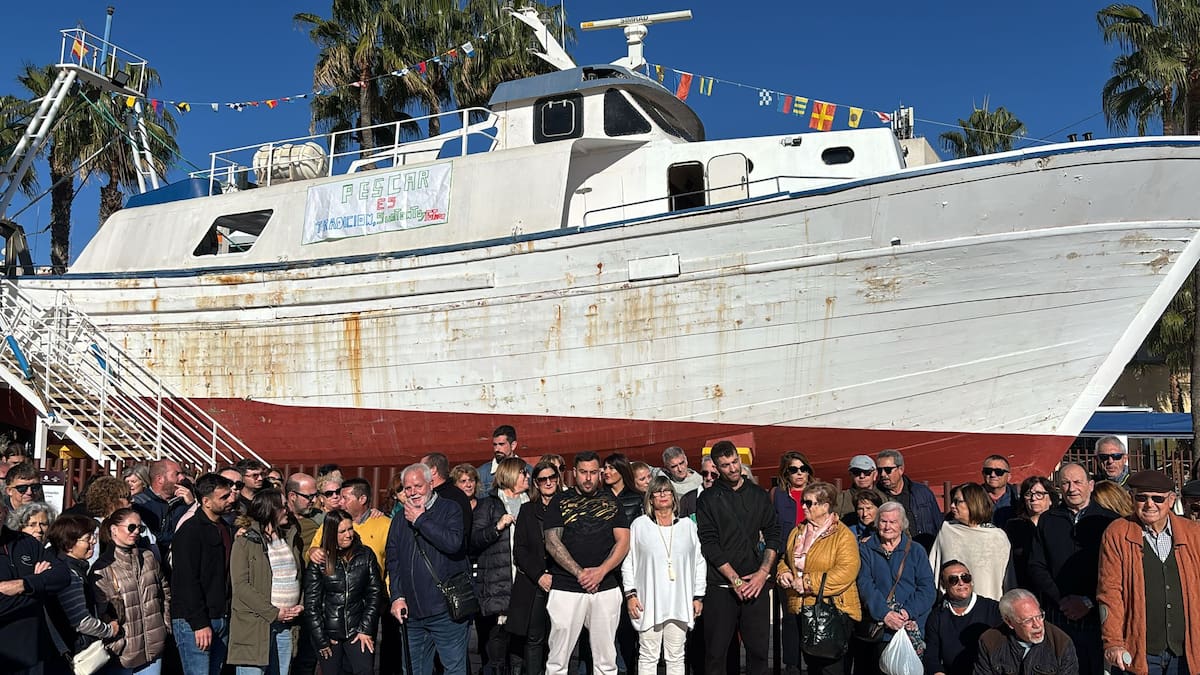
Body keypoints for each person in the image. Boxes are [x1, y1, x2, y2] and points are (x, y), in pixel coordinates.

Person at [1098, 470, 1200, 675]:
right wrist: (1113, 641)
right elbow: (1110, 593)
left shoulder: (1193, 533)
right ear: (1132, 498)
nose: (1149, 504)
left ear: (1171, 500)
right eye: (1142, 497)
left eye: (1157, 498)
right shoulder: (1117, 533)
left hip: (1186, 649)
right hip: (1140, 649)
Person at [696, 440, 781, 675]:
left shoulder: (758, 495)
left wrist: (763, 573)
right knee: (716, 655)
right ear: (716, 467)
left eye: (735, 462)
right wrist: (734, 580)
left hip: (755, 583)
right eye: (726, 465)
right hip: (721, 586)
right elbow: (709, 543)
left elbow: (773, 534)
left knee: (759, 653)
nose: (733, 468)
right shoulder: (708, 499)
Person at [543, 450, 630, 675]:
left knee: (606, 660)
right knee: (558, 659)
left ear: (599, 472)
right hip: (566, 587)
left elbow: (623, 542)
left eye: (593, 472)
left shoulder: (612, 501)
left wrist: (601, 572)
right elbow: (552, 542)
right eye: (583, 472)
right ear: (575, 472)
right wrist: (580, 573)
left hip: (606, 586)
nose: (588, 478)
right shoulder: (559, 501)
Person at [1027, 462, 1118, 675]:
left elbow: (1115, 573)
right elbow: (1036, 565)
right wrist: (1061, 599)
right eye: (1066, 483)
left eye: (1077, 482)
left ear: (1091, 485)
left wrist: (1088, 601)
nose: (1072, 488)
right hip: (1059, 612)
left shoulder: (1109, 521)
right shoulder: (1048, 520)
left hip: (1096, 615)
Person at [386, 463, 470, 675]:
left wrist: (421, 520)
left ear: (431, 484)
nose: (413, 492)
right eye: (408, 488)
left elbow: (453, 543)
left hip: (446, 611)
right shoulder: (399, 519)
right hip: (412, 613)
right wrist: (397, 596)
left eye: (418, 486)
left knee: (454, 669)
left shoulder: (450, 509)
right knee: (413, 670)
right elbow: (393, 561)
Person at [622, 475, 706, 675]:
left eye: (667, 490)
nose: (662, 495)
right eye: (657, 492)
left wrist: (698, 596)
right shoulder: (640, 525)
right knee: (648, 656)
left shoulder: (688, 526)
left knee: (676, 656)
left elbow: (699, 562)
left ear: (673, 496)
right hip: (648, 601)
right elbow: (629, 561)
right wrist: (630, 594)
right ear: (650, 498)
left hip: (679, 602)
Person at [777, 481, 860, 675]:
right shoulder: (798, 531)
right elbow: (786, 559)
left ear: (825, 506)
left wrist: (807, 582)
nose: (803, 507)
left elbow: (846, 571)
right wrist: (784, 572)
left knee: (830, 667)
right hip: (801, 607)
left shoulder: (842, 535)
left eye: (809, 503)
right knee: (813, 665)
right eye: (803, 502)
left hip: (830, 609)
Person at [228, 489, 305, 675]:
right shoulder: (245, 542)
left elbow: (299, 575)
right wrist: (273, 613)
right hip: (256, 624)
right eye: (283, 506)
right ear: (270, 509)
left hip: (286, 625)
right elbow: (241, 587)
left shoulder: (290, 538)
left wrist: (300, 604)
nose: (287, 510)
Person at [854, 502, 936, 675]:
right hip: (878, 629)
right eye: (883, 521)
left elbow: (927, 589)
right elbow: (865, 585)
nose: (887, 526)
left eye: (893, 522)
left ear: (902, 524)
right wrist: (885, 614)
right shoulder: (865, 550)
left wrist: (907, 612)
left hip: (910, 627)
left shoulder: (916, 550)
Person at [171, 472, 238, 675]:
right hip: (194, 620)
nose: (231, 499)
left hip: (220, 616)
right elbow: (186, 581)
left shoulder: (225, 528)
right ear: (206, 502)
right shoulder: (190, 531)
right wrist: (199, 623)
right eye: (224, 497)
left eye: (230, 494)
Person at [91, 507, 171, 675]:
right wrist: (116, 644)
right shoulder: (102, 568)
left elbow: (165, 592)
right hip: (122, 653)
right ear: (114, 529)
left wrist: (165, 626)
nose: (136, 532)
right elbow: (101, 612)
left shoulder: (148, 557)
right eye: (131, 527)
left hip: (154, 646)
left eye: (140, 528)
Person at [303, 508, 383, 675]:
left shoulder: (365, 554)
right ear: (332, 533)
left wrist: (366, 629)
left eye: (350, 529)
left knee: (365, 670)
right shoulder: (320, 560)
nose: (349, 535)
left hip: (358, 629)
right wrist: (321, 638)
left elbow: (374, 593)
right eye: (342, 531)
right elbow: (311, 604)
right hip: (329, 633)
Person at [471, 457, 531, 675]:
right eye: (523, 473)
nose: (527, 476)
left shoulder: (531, 503)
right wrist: (497, 526)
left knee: (520, 650)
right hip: (497, 586)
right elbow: (474, 540)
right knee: (497, 646)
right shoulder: (488, 504)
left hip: (524, 584)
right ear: (510, 475)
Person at [44, 514, 118, 672]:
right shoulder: (70, 576)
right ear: (69, 545)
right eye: (87, 538)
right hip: (77, 651)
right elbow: (81, 621)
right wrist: (109, 630)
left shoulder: (65, 567)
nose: (93, 542)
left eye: (93, 537)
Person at [510, 460, 561, 675]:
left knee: (561, 638)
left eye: (552, 478)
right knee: (534, 638)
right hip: (535, 582)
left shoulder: (567, 506)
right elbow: (520, 550)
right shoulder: (527, 510)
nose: (548, 482)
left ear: (558, 479)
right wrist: (539, 575)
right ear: (536, 483)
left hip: (562, 580)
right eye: (543, 479)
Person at [926, 482, 1014, 601]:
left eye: (958, 501)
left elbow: (1007, 579)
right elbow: (934, 570)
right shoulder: (947, 531)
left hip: (989, 606)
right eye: (953, 501)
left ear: (973, 503)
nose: (952, 506)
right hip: (953, 606)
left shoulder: (996, 537)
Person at [921, 560, 1001, 675]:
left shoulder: (993, 609)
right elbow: (932, 656)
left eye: (965, 577)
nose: (961, 583)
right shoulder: (937, 616)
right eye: (953, 580)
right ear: (944, 585)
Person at [771, 451, 812, 675]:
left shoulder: (817, 493)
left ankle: (814, 661)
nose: (799, 473)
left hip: (812, 562)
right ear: (786, 473)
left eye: (803, 468)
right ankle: (792, 665)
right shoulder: (777, 495)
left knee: (812, 614)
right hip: (786, 563)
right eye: (793, 469)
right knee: (789, 616)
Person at [975, 589, 1078, 675]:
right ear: (1010, 622)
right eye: (1028, 620)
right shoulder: (990, 641)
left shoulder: (1061, 643)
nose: (1037, 625)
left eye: (1039, 616)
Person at [309, 478, 390, 572]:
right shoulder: (333, 522)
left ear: (362, 499)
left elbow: (394, 563)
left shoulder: (385, 525)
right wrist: (313, 551)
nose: (340, 502)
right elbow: (312, 549)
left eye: (345, 498)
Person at [874, 450, 942, 547]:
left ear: (901, 469)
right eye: (879, 470)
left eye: (888, 470)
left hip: (927, 549)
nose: (883, 474)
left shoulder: (922, 492)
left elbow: (938, 523)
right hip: (896, 551)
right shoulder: (875, 497)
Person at [1003, 475, 1055, 589]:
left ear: (1050, 499)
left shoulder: (1059, 524)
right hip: (1023, 585)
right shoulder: (1014, 526)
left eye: (1039, 494)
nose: (1033, 498)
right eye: (1028, 494)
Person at [479, 425, 521, 497]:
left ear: (513, 445)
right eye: (495, 445)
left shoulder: (528, 470)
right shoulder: (481, 474)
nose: (496, 449)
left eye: (501, 444)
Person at [980, 455, 1019, 525]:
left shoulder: (1018, 496)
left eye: (999, 472)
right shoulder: (972, 496)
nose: (993, 475)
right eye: (988, 471)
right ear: (983, 474)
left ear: (1009, 476)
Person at [678, 456, 716, 520]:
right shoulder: (687, 500)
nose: (708, 478)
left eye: (713, 474)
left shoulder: (728, 497)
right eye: (705, 473)